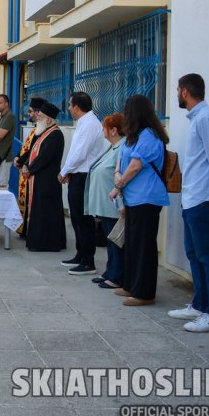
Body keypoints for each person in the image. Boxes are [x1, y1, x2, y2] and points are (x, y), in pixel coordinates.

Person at [171, 73, 209, 333]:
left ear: (185, 92)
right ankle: (200, 304)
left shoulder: (206, 118)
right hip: (192, 198)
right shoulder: (198, 119)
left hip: (204, 198)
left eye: (177, 90)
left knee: (208, 256)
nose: (176, 95)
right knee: (195, 254)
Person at [110, 95, 170, 307]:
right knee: (133, 244)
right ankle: (131, 285)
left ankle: (144, 292)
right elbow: (122, 159)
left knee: (144, 246)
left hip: (147, 198)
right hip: (134, 198)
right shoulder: (133, 136)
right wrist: (117, 174)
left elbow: (135, 166)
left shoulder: (149, 135)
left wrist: (118, 186)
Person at [59, 92, 108, 275]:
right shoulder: (83, 123)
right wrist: (68, 171)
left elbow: (80, 153)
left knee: (84, 219)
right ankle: (80, 254)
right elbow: (75, 152)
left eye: (70, 105)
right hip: (77, 174)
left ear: (77, 106)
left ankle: (88, 261)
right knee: (76, 218)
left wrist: (64, 172)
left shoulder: (89, 124)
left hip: (84, 175)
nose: (69, 108)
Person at [87, 114, 126, 290]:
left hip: (113, 204)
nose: (103, 131)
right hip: (105, 203)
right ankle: (110, 272)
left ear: (113, 130)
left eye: (104, 128)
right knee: (109, 240)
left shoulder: (122, 147)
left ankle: (117, 275)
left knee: (115, 240)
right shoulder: (113, 146)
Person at [21, 102, 66, 252]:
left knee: (47, 211)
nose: (37, 117)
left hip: (48, 180)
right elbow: (33, 152)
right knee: (40, 210)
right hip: (39, 177)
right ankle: (39, 241)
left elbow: (44, 157)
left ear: (49, 120)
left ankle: (48, 243)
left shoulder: (55, 134)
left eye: (40, 116)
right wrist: (27, 164)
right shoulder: (44, 133)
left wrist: (30, 170)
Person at [14, 98, 46, 235]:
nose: (29, 114)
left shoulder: (43, 130)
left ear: (38, 113)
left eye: (31, 111)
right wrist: (17, 156)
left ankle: (27, 229)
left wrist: (21, 161)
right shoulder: (36, 129)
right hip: (25, 169)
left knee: (29, 202)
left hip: (31, 171)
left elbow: (33, 151)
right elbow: (25, 147)